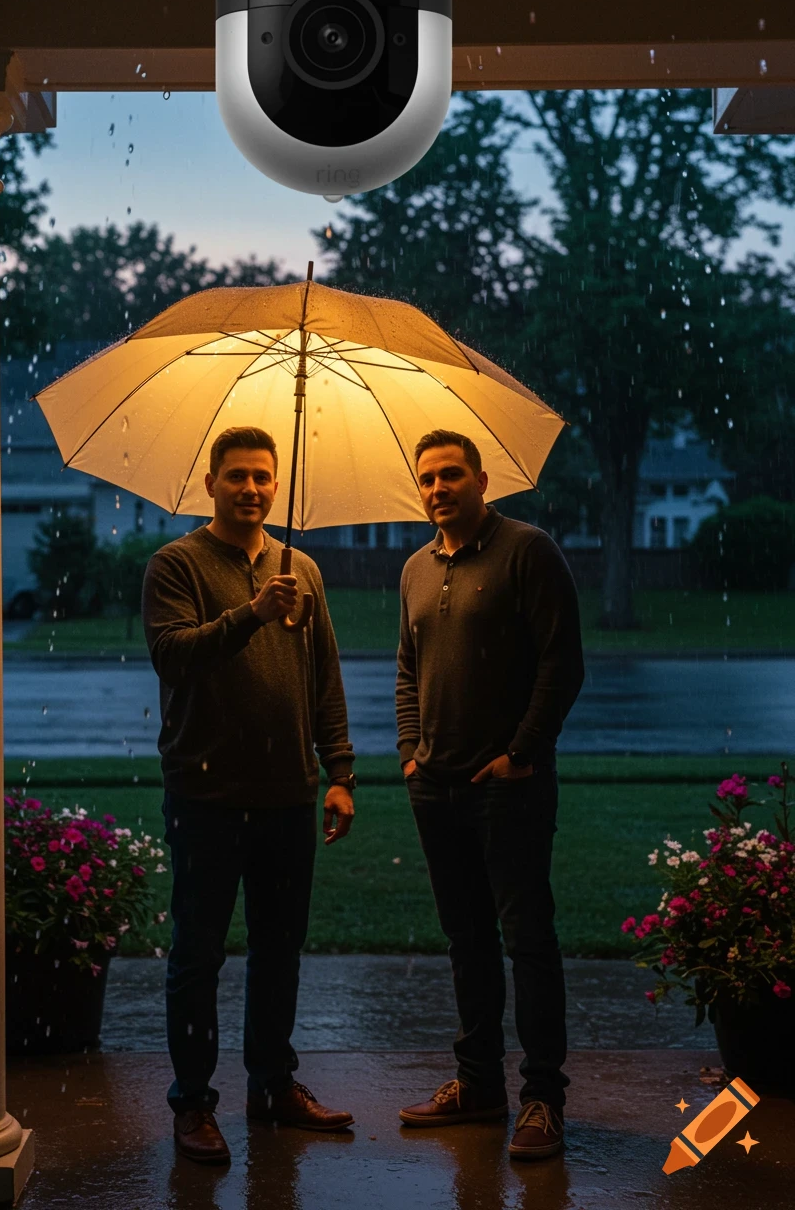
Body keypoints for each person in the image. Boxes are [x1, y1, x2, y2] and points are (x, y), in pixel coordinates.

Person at [142, 425, 357, 1165]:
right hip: (205, 794)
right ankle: (194, 1104)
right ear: (211, 483)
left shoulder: (305, 572)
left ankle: (271, 1086)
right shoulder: (176, 565)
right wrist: (251, 615)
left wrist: (340, 775)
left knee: (278, 951)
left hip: (287, 795)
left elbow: (323, 676)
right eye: (237, 476)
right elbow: (175, 657)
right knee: (197, 955)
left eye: (264, 477)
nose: (253, 489)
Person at [395, 429, 585, 1160]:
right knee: (465, 941)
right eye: (428, 479)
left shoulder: (527, 551)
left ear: (482, 480)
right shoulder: (414, 567)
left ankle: (543, 1098)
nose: (438, 488)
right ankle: (477, 1084)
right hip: (434, 790)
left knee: (526, 941)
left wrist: (521, 754)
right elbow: (408, 669)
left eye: (451, 475)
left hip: (508, 790)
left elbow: (561, 664)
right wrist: (412, 756)